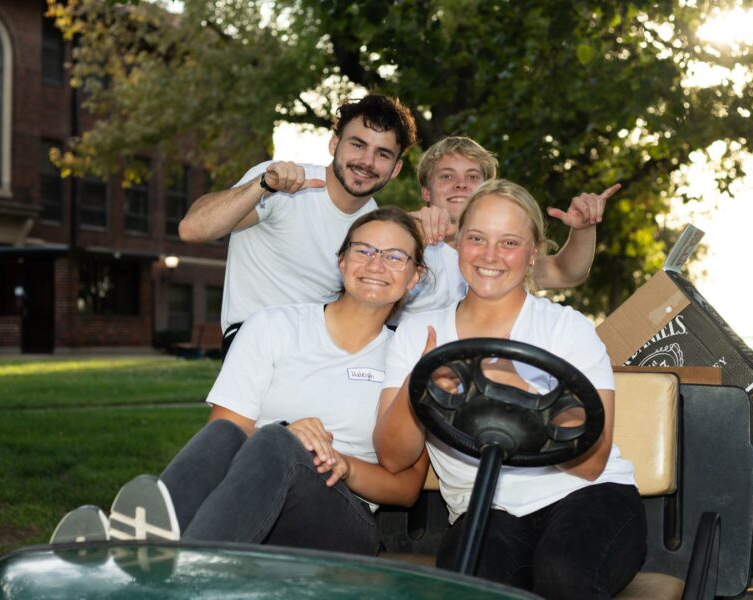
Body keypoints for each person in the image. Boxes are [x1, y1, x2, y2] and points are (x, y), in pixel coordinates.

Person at [55, 207, 430, 555]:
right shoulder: (273, 326)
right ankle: (155, 555)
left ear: (415, 276)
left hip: (340, 516)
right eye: (363, 250)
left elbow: (408, 489)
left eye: (395, 256)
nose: (376, 264)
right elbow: (222, 444)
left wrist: (340, 463)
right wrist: (288, 437)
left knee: (276, 439)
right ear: (341, 260)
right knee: (228, 434)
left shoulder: (408, 356)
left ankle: (160, 559)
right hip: (250, 498)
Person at [373, 180, 646, 599]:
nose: (489, 256)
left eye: (509, 243)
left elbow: (592, 462)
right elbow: (393, 458)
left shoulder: (565, 329)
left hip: (587, 497)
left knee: (564, 572)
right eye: (477, 238)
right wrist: (422, 382)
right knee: (471, 584)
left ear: (533, 252)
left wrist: (517, 388)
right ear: (458, 243)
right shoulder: (416, 336)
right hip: (485, 510)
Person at [178, 94, 421, 356]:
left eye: (382, 154)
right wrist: (263, 187)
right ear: (334, 144)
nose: (367, 161)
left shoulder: (373, 225)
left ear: (395, 169)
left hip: (324, 347)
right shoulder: (282, 182)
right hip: (257, 343)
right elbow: (192, 230)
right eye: (358, 145)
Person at [396, 136, 620, 322]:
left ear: (487, 188)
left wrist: (583, 228)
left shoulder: (503, 255)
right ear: (426, 191)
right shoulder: (401, 238)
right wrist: (407, 236)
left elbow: (567, 273)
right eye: (447, 176)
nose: (461, 184)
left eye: (472, 177)